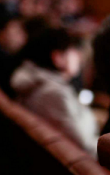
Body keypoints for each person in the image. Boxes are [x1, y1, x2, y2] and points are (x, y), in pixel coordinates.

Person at [11, 28, 99, 157]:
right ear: (58, 57)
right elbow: (85, 146)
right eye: (73, 50)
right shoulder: (54, 94)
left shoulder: (39, 82)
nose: (79, 56)